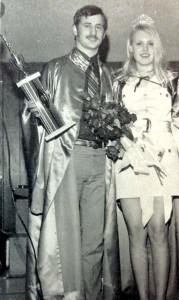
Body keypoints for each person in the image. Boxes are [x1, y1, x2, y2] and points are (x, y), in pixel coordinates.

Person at [111, 14, 179, 300]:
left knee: (158, 230)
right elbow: (111, 123)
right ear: (130, 48)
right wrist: (126, 144)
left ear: (157, 49)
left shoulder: (172, 80)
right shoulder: (118, 82)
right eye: (139, 44)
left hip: (162, 158)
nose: (144, 50)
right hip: (130, 157)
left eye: (150, 44)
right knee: (135, 232)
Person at [21, 5, 120, 300]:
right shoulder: (55, 68)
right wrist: (31, 113)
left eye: (99, 27)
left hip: (99, 161)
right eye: (87, 26)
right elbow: (37, 121)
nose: (93, 32)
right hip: (68, 160)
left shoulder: (109, 76)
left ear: (104, 34)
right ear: (74, 29)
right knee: (66, 240)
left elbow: (116, 121)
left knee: (94, 241)